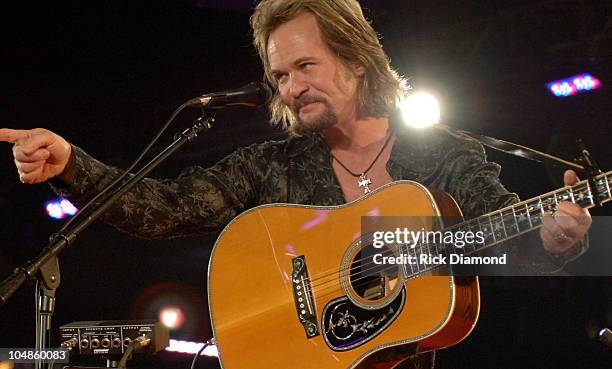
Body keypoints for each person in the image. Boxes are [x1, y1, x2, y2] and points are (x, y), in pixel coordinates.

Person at [0, 0, 591, 367]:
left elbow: (508, 239)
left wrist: (558, 241)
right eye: (280, 75)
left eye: (306, 67)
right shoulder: (271, 165)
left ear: (356, 60)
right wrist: (74, 163)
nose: (290, 88)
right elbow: (165, 207)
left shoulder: (441, 156)